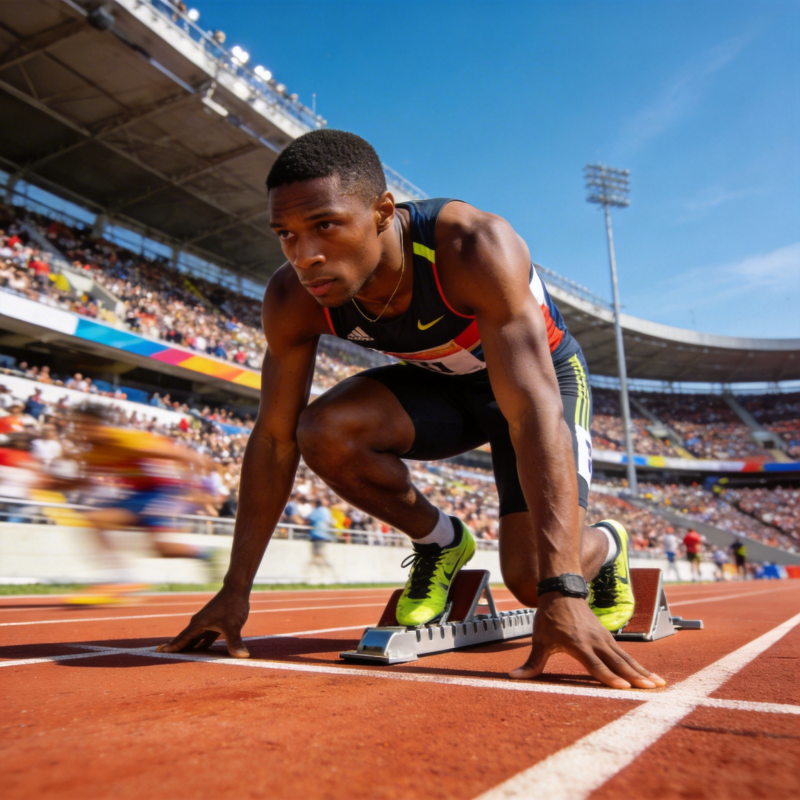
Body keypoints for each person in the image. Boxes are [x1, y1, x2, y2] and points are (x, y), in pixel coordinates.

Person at [158, 130, 664, 690]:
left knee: (531, 579)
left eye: (324, 225)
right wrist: (235, 589)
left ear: (381, 212)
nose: (305, 256)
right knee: (321, 430)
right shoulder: (292, 297)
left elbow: (533, 413)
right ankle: (442, 541)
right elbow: (275, 439)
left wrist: (565, 588)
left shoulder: (473, 247)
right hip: (445, 386)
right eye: (286, 235)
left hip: (540, 386)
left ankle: (608, 542)